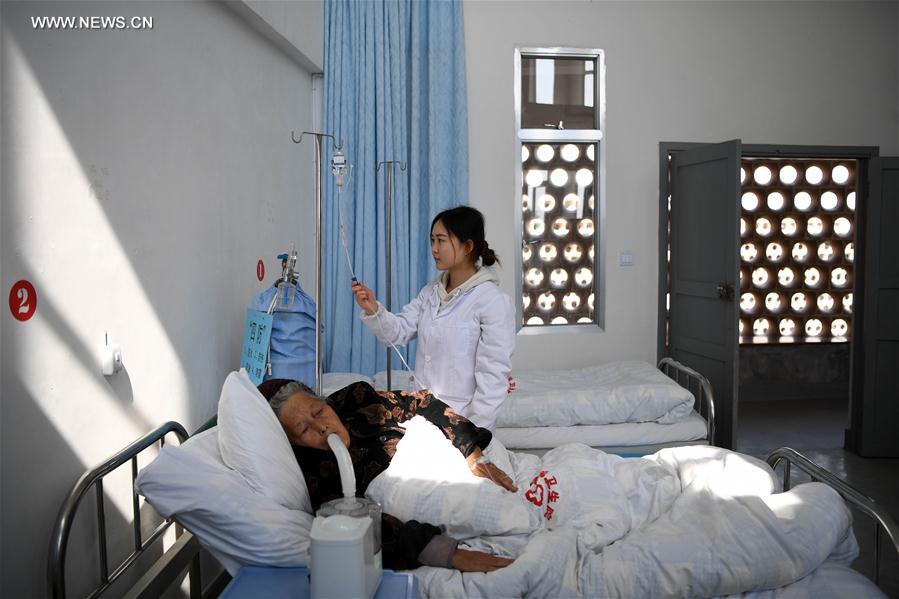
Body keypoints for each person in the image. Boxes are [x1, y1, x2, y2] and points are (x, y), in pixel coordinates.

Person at [258, 378, 518, 573]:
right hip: (416, 496)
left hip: (445, 455)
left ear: (326, 402)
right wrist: (447, 553)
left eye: (318, 412)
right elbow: (356, 524)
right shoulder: (314, 472)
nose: (322, 427)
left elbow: (423, 403)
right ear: (292, 442)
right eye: (304, 430)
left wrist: (473, 453)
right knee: (511, 520)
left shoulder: (357, 401)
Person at [351, 206, 516, 432]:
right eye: (432, 240)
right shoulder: (430, 293)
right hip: (423, 417)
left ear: (467, 246)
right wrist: (373, 309)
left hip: (463, 420)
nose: (434, 249)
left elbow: (493, 376)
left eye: (441, 240)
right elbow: (398, 332)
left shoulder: (492, 301)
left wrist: (474, 434)